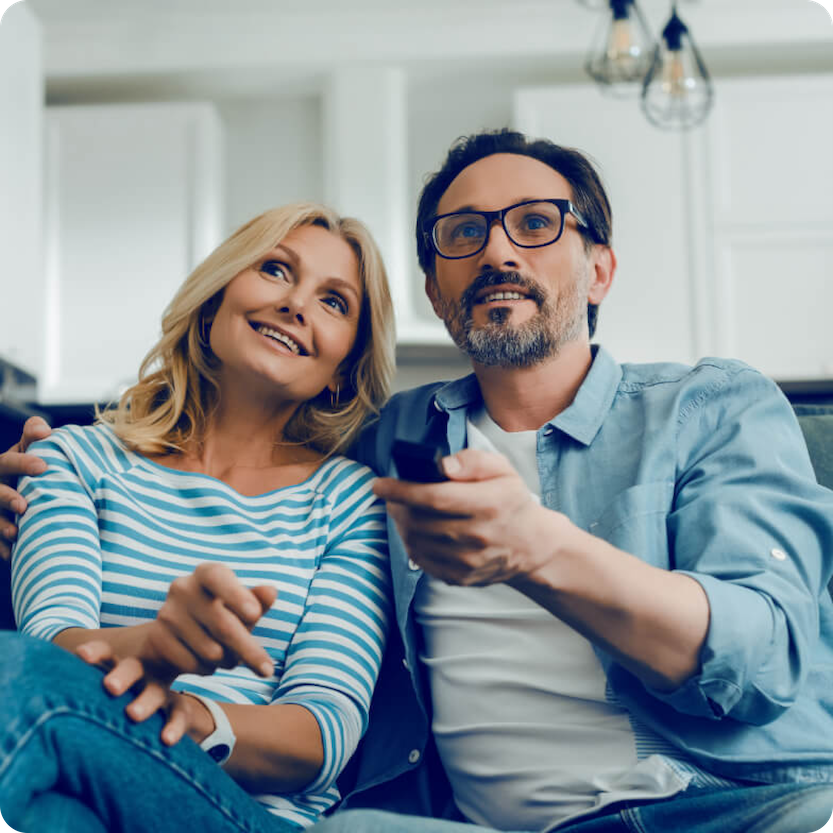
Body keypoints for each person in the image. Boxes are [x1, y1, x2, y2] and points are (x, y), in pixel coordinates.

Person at [3, 129, 833, 833]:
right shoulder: (386, 447)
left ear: (600, 270)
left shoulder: (709, 406)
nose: (499, 249)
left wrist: (536, 546)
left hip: (733, 804)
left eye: (536, 224)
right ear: (436, 289)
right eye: (463, 233)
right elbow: (229, 455)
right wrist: (28, 494)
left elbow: (765, 662)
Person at [0, 201, 395, 833]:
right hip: (79, 775)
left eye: (335, 302)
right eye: (275, 269)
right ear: (216, 297)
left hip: (238, 812)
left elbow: (323, 734)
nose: (297, 303)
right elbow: (45, 648)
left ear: (341, 372)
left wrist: (186, 717)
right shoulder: (72, 459)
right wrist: (151, 649)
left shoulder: (350, 502)